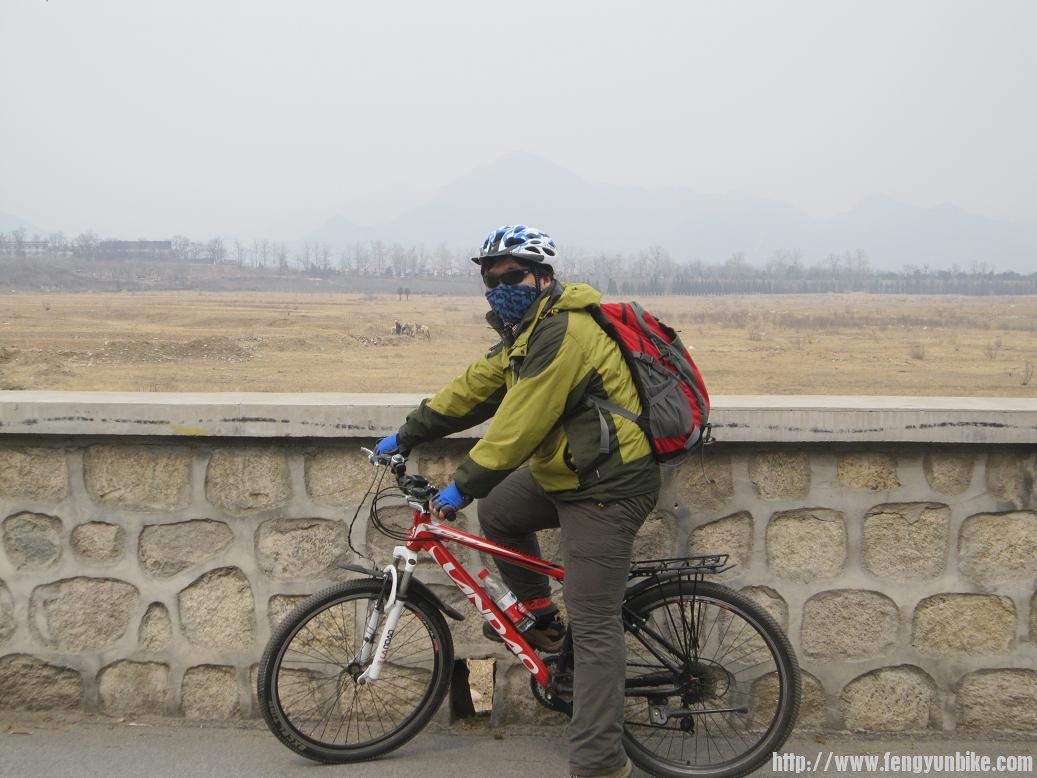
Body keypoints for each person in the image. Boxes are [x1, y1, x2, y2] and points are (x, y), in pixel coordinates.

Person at [375, 224, 659, 778]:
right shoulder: (525, 333)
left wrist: (463, 484)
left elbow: (520, 422)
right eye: (492, 280)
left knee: (594, 621)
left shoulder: (564, 332)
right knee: (501, 510)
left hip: (609, 485)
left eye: (514, 276)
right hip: (570, 471)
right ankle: (540, 618)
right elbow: (476, 387)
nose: (502, 287)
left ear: (544, 277)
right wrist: (407, 433)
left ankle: (600, 761)